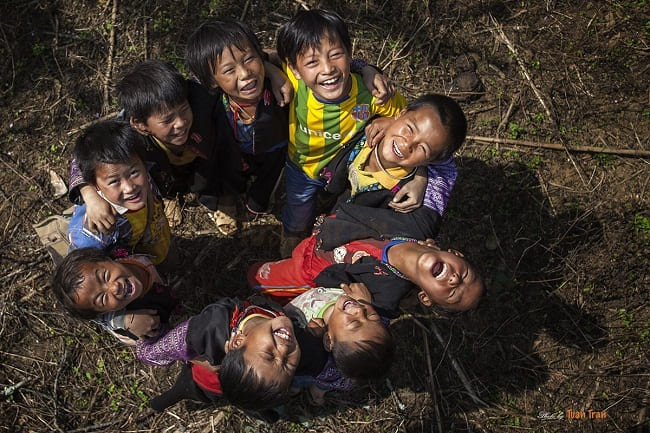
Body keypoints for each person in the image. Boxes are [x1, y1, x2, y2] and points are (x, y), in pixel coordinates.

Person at [276, 9, 420, 256]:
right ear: (296, 69)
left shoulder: (374, 93)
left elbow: (410, 120)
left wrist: (389, 123)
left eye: (336, 55)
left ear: (349, 53)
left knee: (333, 202)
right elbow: (261, 58)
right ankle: (293, 235)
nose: (327, 68)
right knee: (298, 208)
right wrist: (271, 73)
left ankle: (322, 234)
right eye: (312, 62)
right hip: (302, 167)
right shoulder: (294, 80)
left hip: (344, 172)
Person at [68, 60, 226, 231]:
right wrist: (90, 196)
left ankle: (220, 197)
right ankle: (167, 197)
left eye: (184, 109)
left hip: (203, 157)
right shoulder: (126, 130)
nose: (180, 123)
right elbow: (81, 158)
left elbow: (226, 69)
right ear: (140, 125)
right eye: (167, 120)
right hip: (163, 170)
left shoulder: (198, 92)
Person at [136, 297, 327, 415]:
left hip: (215, 385)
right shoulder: (210, 328)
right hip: (202, 380)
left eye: (270, 355)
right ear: (236, 342)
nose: (284, 351)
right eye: (287, 362)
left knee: (203, 393)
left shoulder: (212, 328)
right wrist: (195, 359)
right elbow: (155, 351)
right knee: (181, 392)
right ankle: (156, 405)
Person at [185, 19, 289, 233]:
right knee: (223, 164)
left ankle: (257, 202)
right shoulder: (205, 98)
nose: (245, 73)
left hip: (274, 148)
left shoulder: (281, 85)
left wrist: (274, 70)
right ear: (212, 81)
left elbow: (305, 56)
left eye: (249, 59)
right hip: (233, 149)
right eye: (229, 70)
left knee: (273, 170)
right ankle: (227, 197)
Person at [248, 224, 485, 316]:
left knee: (267, 278)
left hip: (311, 269)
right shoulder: (419, 226)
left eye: (454, 293)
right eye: (464, 275)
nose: (455, 279)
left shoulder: (388, 295)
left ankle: (255, 284)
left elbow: (372, 316)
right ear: (454, 254)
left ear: (426, 298)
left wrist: (366, 306)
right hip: (322, 237)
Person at [320, 93, 467, 238]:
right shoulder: (361, 124)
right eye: (409, 128)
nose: (407, 144)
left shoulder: (404, 197)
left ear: (431, 162)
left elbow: (424, 228)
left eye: (423, 149)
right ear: (400, 113)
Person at [67, 119, 176, 269]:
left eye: (133, 173)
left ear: (144, 164)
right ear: (94, 186)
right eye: (114, 182)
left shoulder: (136, 160)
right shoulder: (95, 231)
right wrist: (88, 193)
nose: (129, 187)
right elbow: (81, 268)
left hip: (159, 242)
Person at [285, 282, 393, 405]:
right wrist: (364, 301)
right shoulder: (372, 329)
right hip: (344, 373)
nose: (360, 310)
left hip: (326, 375)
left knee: (309, 380)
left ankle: (309, 391)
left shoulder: (308, 341)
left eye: (354, 323)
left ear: (328, 340)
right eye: (372, 316)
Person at [51, 247, 177, 345]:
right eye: (102, 298)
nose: (115, 288)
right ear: (104, 312)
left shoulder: (119, 250)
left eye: (105, 276)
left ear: (105, 259)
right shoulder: (145, 314)